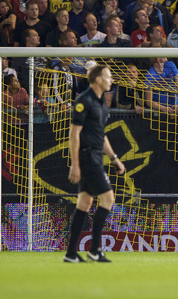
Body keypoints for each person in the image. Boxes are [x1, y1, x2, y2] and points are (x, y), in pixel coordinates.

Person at [64, 64, 126, 263]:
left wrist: (114, 158)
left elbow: (101, 134)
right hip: (87, 157)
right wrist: (75, 164)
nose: (111, 80)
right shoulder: (84, 100)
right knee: (108, 199)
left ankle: (71, 254)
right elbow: (74, 133)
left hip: (96, 155)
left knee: (85, 202)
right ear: (98, 79)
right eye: (108, 76)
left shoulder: (100, 102)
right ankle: (95, 250)